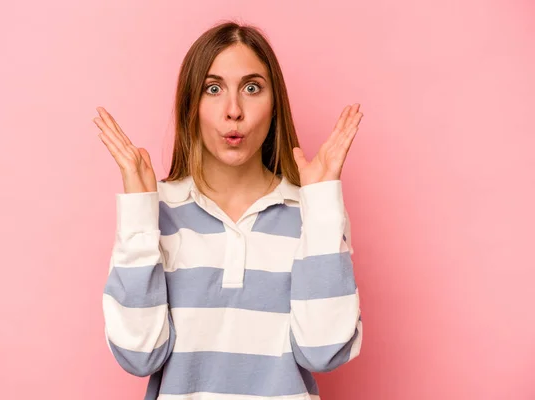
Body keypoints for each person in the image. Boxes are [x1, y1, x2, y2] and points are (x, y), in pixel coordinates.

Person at [94, 20, 363, 400]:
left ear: (275, 106)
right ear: (191, 103)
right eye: (213, 88)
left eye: (252, 88)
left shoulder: (312, 213)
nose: (233, 110)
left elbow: (323, 352)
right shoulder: (158, 212)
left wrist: (320, 204)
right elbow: (139, 356)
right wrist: (139, 213)